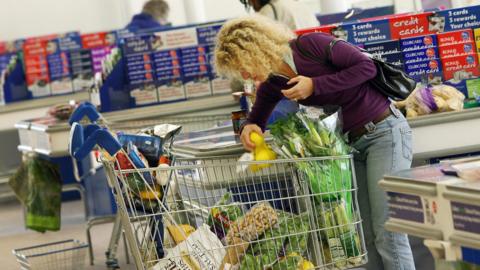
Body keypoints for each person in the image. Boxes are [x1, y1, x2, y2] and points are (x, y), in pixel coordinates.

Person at [214, 15, 416, 270]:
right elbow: (259, 114)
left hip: (384, 134)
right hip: (353, 146)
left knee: (388, 232)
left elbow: (367, 67)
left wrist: (315, 85)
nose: (243, 74)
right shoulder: (276, 80)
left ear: (256, 48)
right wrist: (250, 126)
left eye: (241, 65)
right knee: (365, 235)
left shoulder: (310, 46)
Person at [240, 0, 319, 31]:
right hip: (314, 60)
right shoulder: (302, 5)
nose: (250, 4)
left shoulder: (269, 10)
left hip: (293, 63)